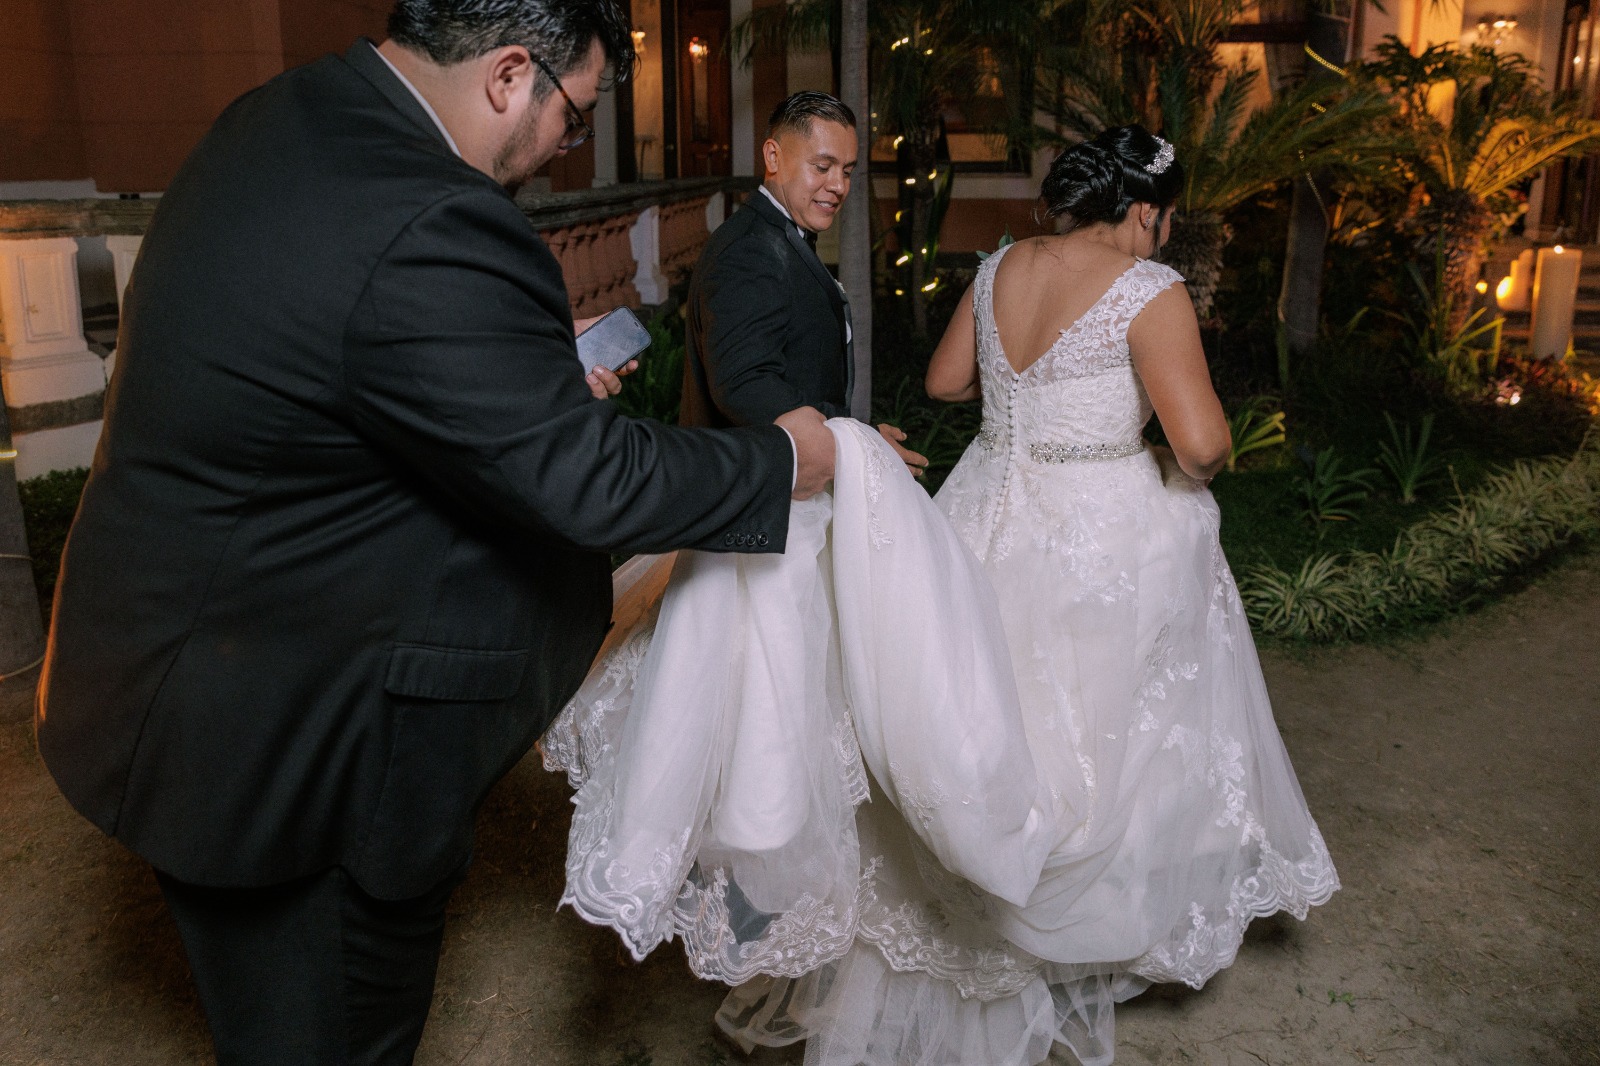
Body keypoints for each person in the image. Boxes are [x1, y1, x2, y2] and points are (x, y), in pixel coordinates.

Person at [33, 2, 835, 1063]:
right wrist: (783, 459)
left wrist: (513, 375)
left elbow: (342, 342)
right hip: (290, 744)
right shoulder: (434, 216)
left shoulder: (287, 113)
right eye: (573, 117)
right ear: (509, 74)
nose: (565, 148)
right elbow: (589, 480)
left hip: (179, 670)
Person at [554, 125, 1339, 1066]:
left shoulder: (1000, 265)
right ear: (1144, 211)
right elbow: (1203, 446)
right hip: (1100, 529)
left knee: (967, 714)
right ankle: (1072, 918)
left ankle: (957, 890)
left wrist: (1027, 404)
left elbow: (945, 380)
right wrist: (1152, 447)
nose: (1162, 236)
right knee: (1098, 723)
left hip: (979, 514)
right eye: (1164, 220)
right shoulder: (1149, 289)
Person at [681, 90, 927, 474]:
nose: (839, 185)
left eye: (847, 171)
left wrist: (857, 437)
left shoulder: (777, 237)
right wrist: (857, 445)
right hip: (761, 489)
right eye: (823, 167)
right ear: (773, 157)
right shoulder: (750, 250)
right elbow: (745, 385)